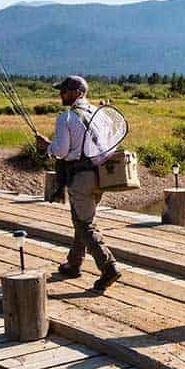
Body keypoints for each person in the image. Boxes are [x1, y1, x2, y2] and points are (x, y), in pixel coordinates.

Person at [35, 75, 121, 291]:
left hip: (80, 177)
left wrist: (47, 147)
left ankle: (109, 267)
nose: (60, 94)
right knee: (81, 218)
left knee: (85, 224)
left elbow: (62, 151)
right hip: (101, 176)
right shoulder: (99, 114)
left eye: (64, 90)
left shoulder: (66, 117)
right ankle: (74, 264)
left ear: (77, 93)